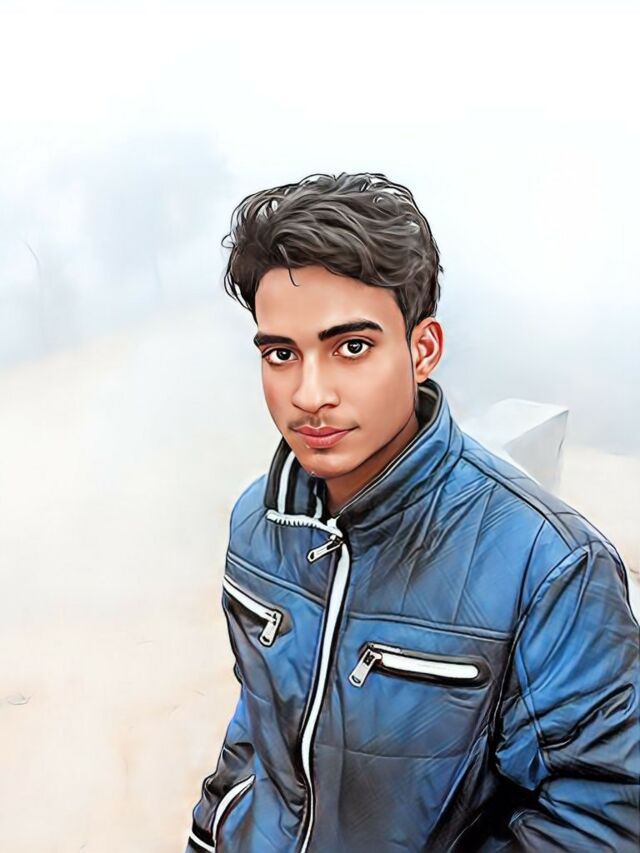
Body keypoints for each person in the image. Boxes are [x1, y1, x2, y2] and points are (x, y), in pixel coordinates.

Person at [185, 173, 639, 852]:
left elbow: (604, 815)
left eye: (351, 348)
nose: (309, 394)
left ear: (421, 350)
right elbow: (259, 731)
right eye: (282, 354)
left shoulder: (550, 566)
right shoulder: (258, 521)